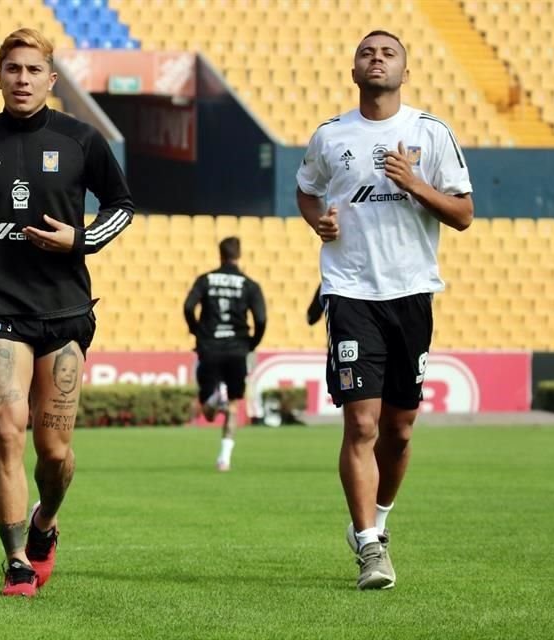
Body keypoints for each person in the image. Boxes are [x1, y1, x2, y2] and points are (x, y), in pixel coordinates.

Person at [0, 28, 134, 597]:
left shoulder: (82, 139)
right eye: (11, 69)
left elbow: (122, 206)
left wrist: (81, 239)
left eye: (32, 70)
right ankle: (16, 560)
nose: (21, 79)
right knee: (7, 430)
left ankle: (45, 521)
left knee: (54, 453)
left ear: (51, 79)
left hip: (65, 311)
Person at [296, 30, 473, 590]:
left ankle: (381, 519)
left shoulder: (430, 133)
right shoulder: (331, 136)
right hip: (350, 294)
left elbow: (464, 214)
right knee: (362, 422)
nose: (377, 59)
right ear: (354, 70)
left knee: (399, 430)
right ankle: (369, 545)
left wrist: (416, 184)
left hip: (411, 293)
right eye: (367, 53)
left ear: (405, 70)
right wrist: (316, 220)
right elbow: (306, 190)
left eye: (388, 53)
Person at [183, 236, 267, 471]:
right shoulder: (249, 284)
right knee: (232, 405)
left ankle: (212, 397)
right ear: (239, 255)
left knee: (208, 414)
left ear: (220, 254)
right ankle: (224, 458)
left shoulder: (206, 280)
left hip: (209, 347)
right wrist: (252, 343)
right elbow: (260, 318)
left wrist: (196, 331)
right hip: (236, 349)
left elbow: (189, 306)